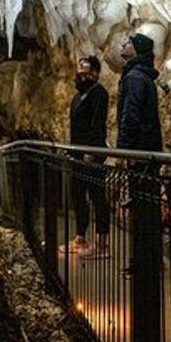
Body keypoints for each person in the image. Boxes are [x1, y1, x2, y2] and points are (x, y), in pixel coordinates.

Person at [116, 31, 163, 342]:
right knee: (145, 208)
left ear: (138, 50)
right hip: (151, 151)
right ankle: (146, 261)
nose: (123, 45)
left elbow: (130, 116)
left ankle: (144, 264)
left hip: (141, 154)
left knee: (141, 208)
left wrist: (125, 153)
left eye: (128, 41)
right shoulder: (144, 75)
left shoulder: (133, 77)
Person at [66, 55, 110, 259]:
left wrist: (92, 151)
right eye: (80, 67)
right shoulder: (78, 96)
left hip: (91, 155)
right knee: (78, 195)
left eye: (85, 68)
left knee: (97, 197)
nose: (81, 71)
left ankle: (103, 244)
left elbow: (97, 123)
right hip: (77, 154)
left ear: (94, 72)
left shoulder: (98, 92)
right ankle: (80, 238)